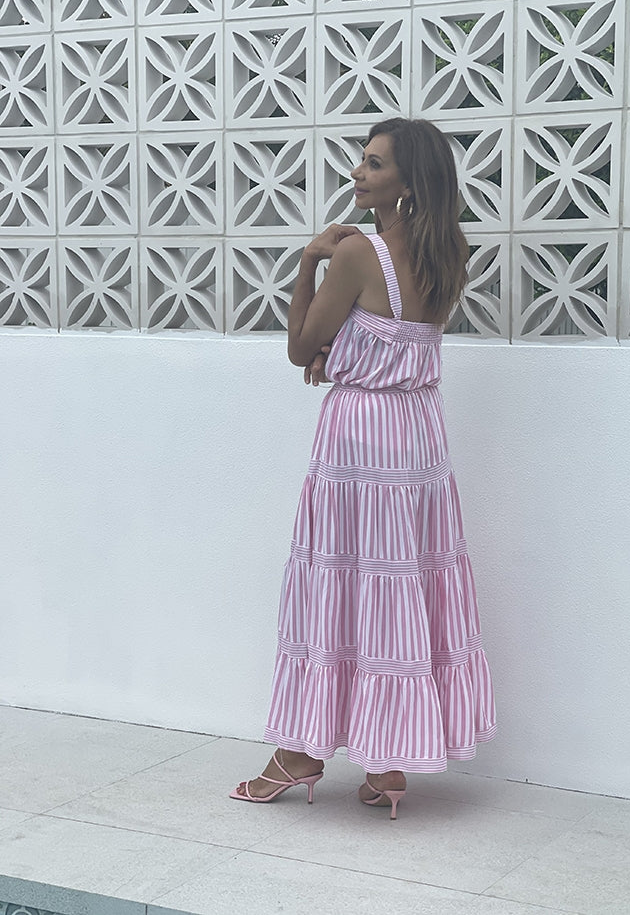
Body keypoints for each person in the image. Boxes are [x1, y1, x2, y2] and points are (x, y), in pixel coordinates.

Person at [231, 118, 496, 819]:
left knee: (342, 576)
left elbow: (298, 348)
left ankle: (300, 753)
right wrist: (342, 349)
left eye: (374, 164)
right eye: (362, 160)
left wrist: (308, 261)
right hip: (418, 436)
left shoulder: (356, 253)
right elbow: (398, 337)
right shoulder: (452, 250)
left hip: (360, 438)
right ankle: (386, 762)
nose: (358, 172)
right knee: (401, 581)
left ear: (406, 182)